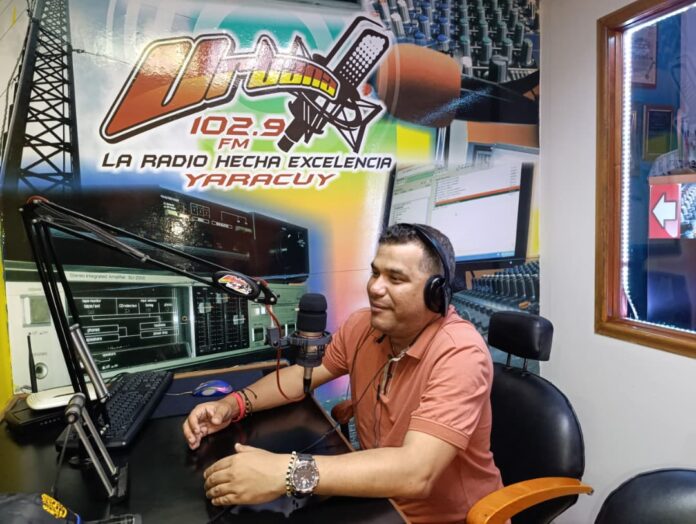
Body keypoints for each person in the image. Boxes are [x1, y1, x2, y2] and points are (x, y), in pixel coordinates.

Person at [182, 223, 503, 522]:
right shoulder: (363, 326)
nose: (375, 288)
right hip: (379, 497)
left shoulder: (460, 352)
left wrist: (286, 472)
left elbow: (416, 473)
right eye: (375, 273)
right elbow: (302, 376)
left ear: (435, 293)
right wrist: (232, 405)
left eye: (395, 278)